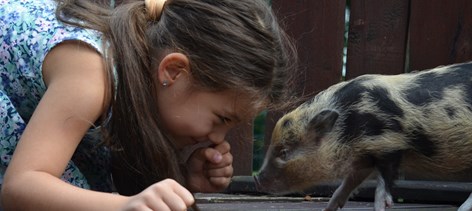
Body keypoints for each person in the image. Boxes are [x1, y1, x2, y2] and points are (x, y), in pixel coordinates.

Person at [0, 0, 296, 209]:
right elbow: (20, 189)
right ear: (174, 71)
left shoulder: (134, 73)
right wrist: (124, 206)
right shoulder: (91, 70)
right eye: (220, 118)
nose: (218, 138)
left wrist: (183, 179)